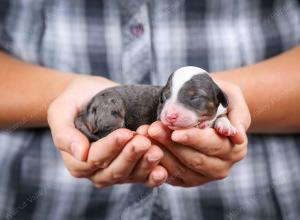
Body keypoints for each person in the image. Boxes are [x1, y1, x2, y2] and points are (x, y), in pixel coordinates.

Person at [0, 0, 299, 219]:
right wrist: (60, 98)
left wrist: (232, 116)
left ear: (220, 100)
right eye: (168, 98)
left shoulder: (218, 106)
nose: (169, 112)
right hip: (44, 199)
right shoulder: (152, 106)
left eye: (191, 99)